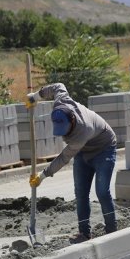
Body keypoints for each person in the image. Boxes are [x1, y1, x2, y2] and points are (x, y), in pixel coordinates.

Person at [27, 83, 117, 244]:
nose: (63, 135)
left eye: (65, 131)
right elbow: (58, 86)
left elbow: (64, 157)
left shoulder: (83, 131)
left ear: (73, 120)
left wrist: (43, 175)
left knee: (102, 192)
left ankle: (112, 233)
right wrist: (36, 97)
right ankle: (84, 233)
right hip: (83, 151)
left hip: (103, 148)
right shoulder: (61, 101)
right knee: (81, 194)